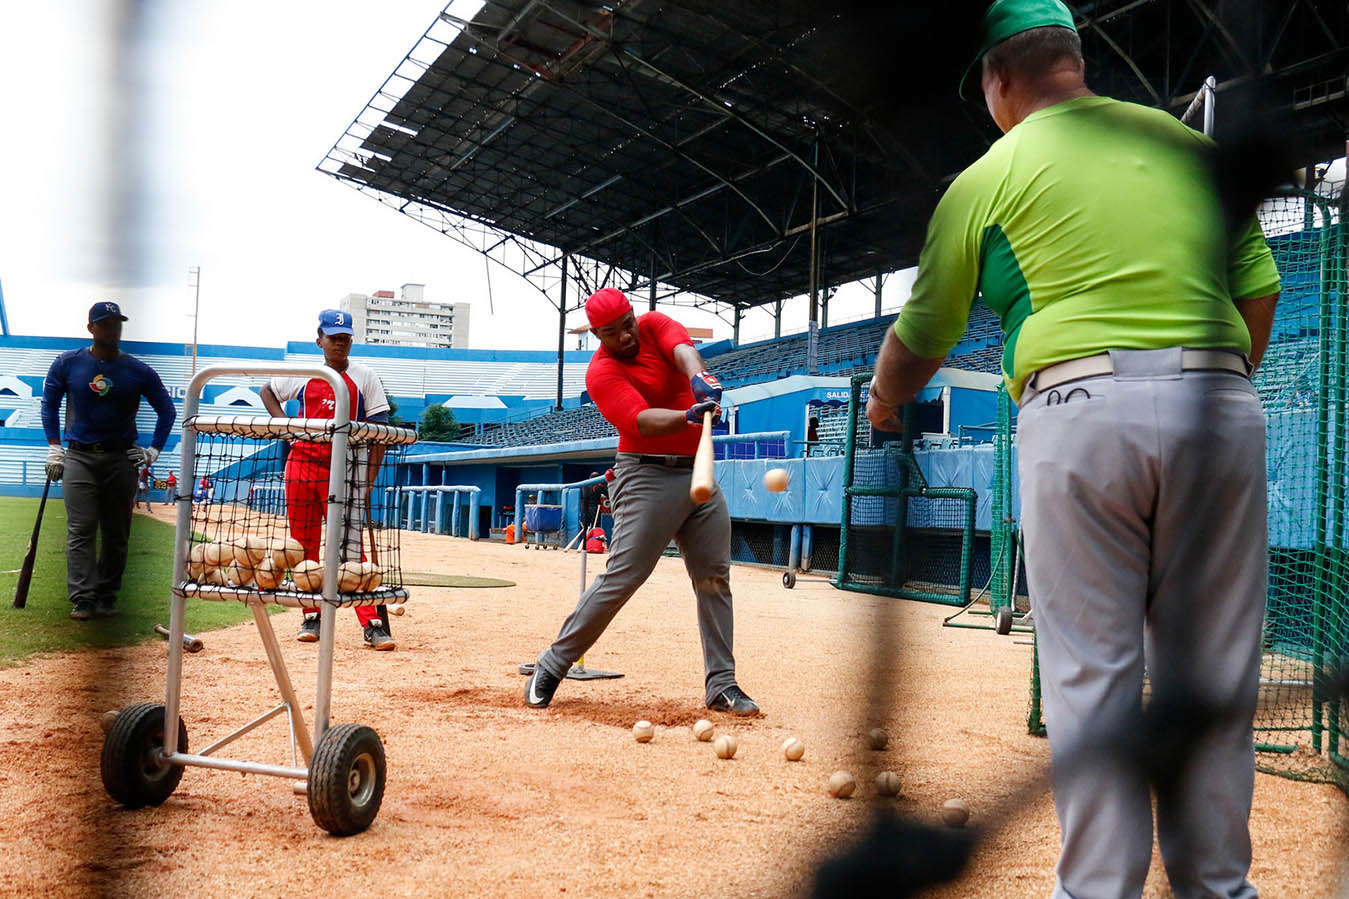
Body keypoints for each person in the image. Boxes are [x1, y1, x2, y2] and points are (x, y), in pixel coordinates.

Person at [865, 3, 1280, 896]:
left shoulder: (986, 175)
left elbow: (923, 331)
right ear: (1075, 61)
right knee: (1209, 681)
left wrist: (882, 398)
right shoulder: (1182, 144)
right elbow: (1258, 285)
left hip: (1077, 407)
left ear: (996, 81)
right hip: (1219, 403)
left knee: (1093, 680)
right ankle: (1218, 885)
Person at [524, 288, 758, 716]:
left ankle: (722, 685)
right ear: (598, 335)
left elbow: (684, 351)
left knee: (713, 578)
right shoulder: (601, 373)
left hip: (696, 470)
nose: (626, 336)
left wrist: (698, 380)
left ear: (635, 316)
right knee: (625, 575)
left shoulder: (653, 325)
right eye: (612, 333)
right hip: (645, 473)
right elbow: (641, 423)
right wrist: (688, 415)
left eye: (627, 325)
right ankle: (552, 663)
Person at [260, 309, 395, 651]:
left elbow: (380, 431)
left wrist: (368, 480)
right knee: (303, 544)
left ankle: (372, 621)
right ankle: (311, 614)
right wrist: (286, 429)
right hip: (302, 465)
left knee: (351, 548)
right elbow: (266, 391)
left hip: (346, 469)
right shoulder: (305, 374)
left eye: (346, 337)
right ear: (319, 339)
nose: (340, 343)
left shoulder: (365, 376)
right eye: (334, 337)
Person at [41, 301, 177, 620]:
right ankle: (84, 598)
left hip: (121, 458)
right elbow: (49, 405)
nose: (113, 329)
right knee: (81, 529)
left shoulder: (137, 370)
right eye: (105, 323)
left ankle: (107, 595)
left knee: (117, 532)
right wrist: (54, 447)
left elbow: (167, 411)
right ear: (91, 328)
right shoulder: (67, 363)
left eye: (117, 323)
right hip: (79, 456)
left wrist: (153, 451)